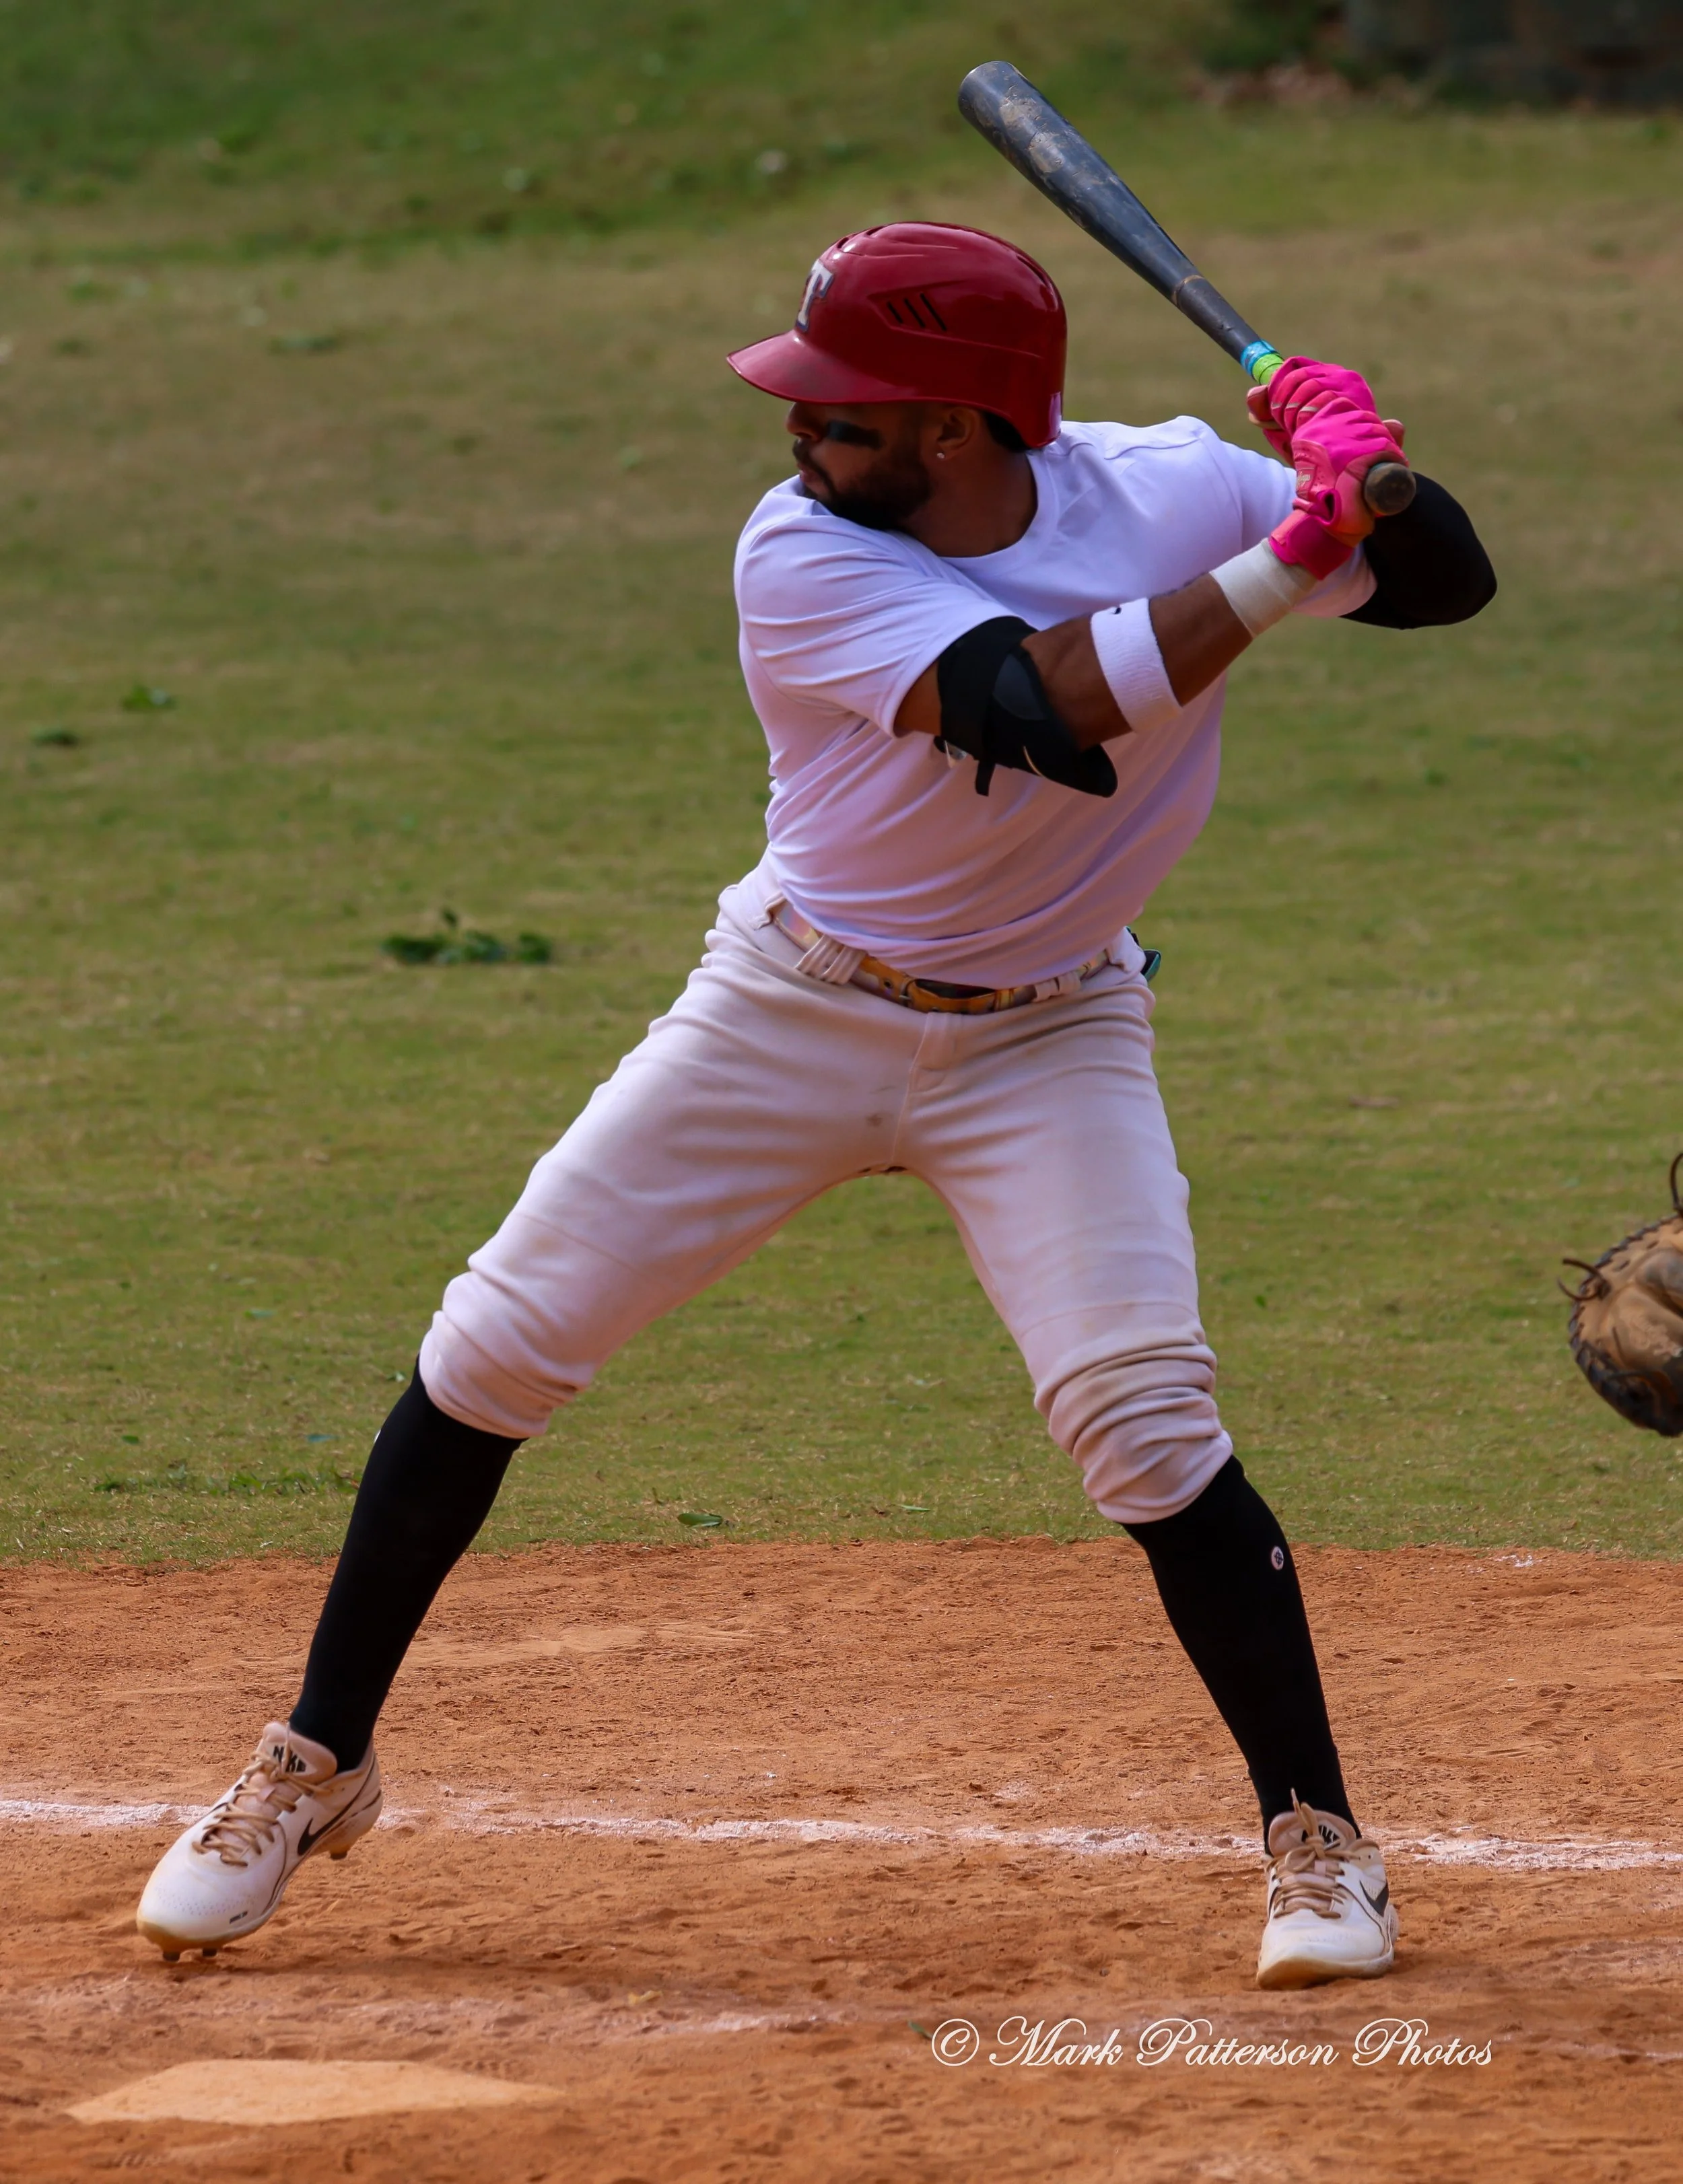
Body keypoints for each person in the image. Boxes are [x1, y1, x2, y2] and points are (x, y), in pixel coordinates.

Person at [136, 221, 1494, 1987]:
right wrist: (1294, 548)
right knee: (492, 1348)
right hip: (789, 1008)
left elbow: (1448, 588)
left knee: (1143, 1423)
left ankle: (1316, 1836)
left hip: (1049, 1036)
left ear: (954, 426)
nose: (798, 435)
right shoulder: (802, 554)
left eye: (841, 412)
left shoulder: (1171, 492)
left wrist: (1366, 476)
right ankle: (312, 1762)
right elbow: (1047, 706)